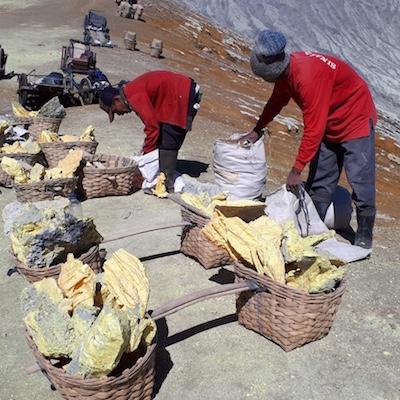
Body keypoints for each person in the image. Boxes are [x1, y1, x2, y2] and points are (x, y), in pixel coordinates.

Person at [247, 31, 377, 249]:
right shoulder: (287, 74)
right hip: (330, 121)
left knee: (360, 179)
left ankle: (364, 232)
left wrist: (296, 170)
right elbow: (276, 102)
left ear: (275, 69)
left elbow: (314, 128)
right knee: (320, 180)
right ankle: (314, 224)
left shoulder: (307, 77)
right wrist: (257, 128)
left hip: (355, 118)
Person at [99, 70, 201, 192]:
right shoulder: (131, 92)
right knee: (163, 136)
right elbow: (154, 125)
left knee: (170, 137)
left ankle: (166, 182)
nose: (119, 114)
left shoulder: (134, 96)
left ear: (117, 100)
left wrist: (147, 155)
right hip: (176, 93)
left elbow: (152, 128)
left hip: (182, 92)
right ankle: (161, 173)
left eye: (115, 110)